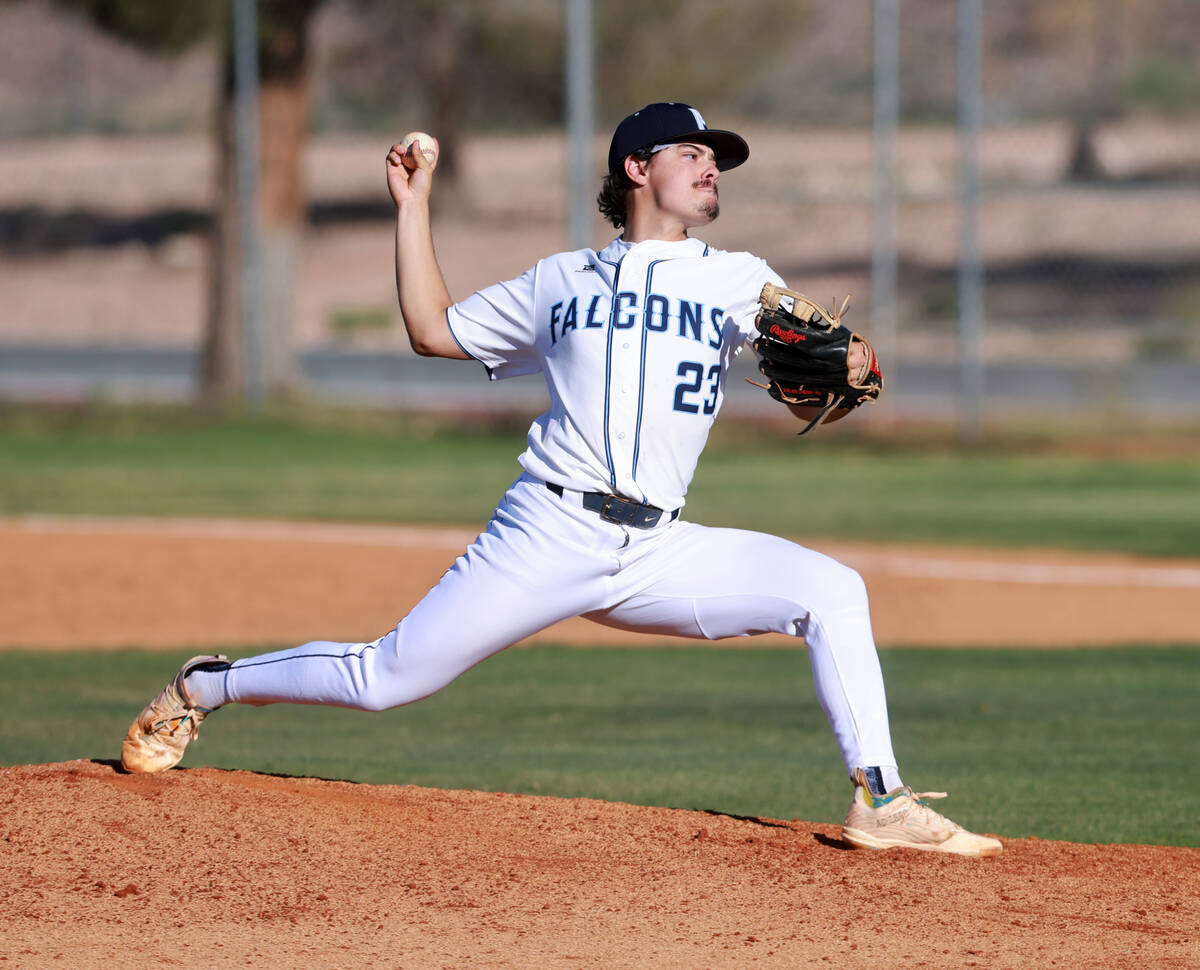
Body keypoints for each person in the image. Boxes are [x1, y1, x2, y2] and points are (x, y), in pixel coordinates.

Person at [121, 102, 1001, 858]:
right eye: (694, 154)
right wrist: (412, 205)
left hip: (657, 548)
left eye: (717, 161)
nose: (712, 171)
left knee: (832, 591)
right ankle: (206, 685)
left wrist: (842, 360)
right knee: (385, 679)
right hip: (545, 533)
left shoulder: (741, 281)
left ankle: (880, 800)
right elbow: (432, 329)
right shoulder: (560, 281)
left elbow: (812, 352)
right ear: (636, 166)